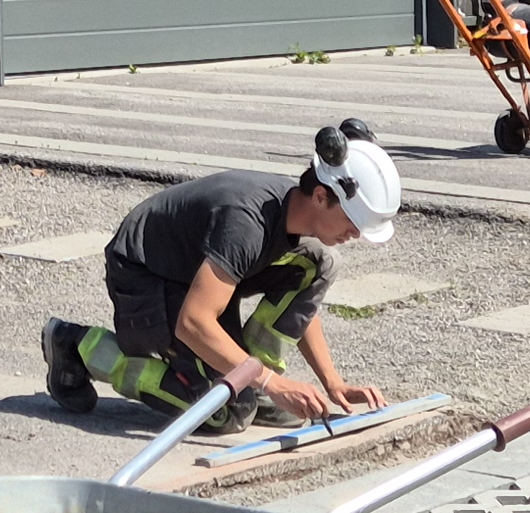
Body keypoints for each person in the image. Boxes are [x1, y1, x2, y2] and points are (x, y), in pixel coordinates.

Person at [43, 121, 400, 432]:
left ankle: (254, 387)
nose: (356, 235)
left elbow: (303, 307)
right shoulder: (246, 225)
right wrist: (274, 384)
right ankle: (77, 346)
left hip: (195, 269)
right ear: (321, 196)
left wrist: (333, 383)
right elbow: (193, 323)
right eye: (353, 222)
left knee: (319, 263)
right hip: (148, 272)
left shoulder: (291, 214)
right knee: (225, 413)